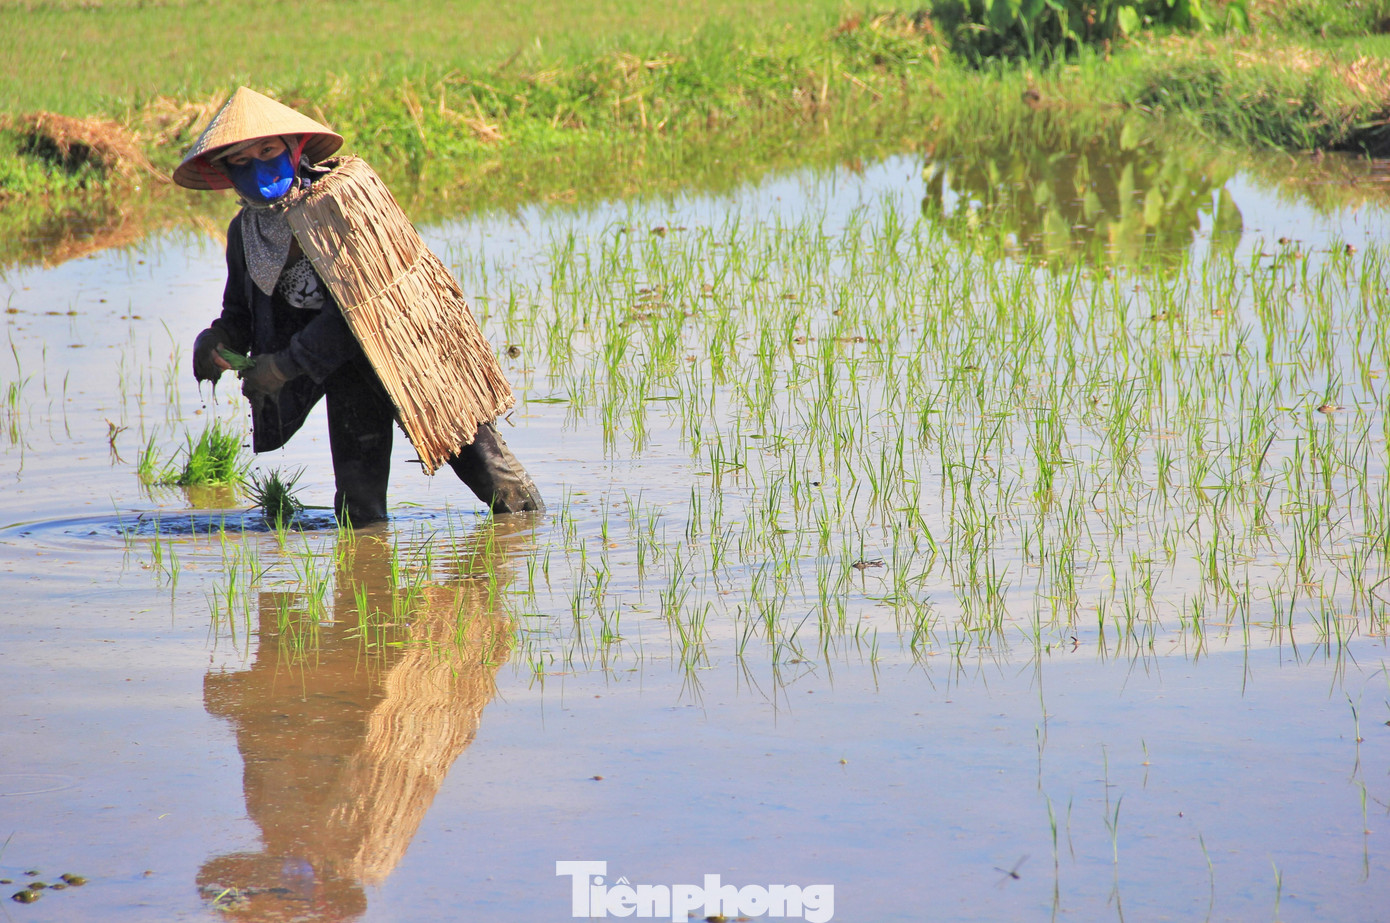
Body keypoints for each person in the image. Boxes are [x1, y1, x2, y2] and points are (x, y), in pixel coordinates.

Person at [173, 88, 542, 525]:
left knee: (496, 483)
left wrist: (283, 366)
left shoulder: (341, 204)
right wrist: (216, 340)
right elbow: (241, 314)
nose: (256, 164)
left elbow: (357, 313)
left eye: (267, 150)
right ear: (224, 171)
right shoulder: (246, 231)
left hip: (412, 353)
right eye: (239, 159)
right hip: (343, 370)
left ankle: (529, 552)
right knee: (358, 509)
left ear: (294, 149)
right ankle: (367, 583)